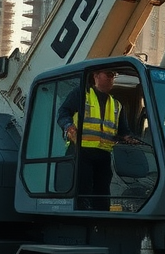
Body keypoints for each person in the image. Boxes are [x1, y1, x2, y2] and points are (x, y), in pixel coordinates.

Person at [56, 68, 139, 210]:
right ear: (96, 76)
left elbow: (124, 131)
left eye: (114, 75)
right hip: (81, 151)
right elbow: (63, 112)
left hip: (103, 154)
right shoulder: (81, 94)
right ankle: (83, 218)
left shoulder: (117, 105)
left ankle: (100, 219)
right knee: (83, 191)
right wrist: (68, 126)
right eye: (108, 74)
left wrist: (128, 138)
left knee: (102, 193)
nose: (111, 78)